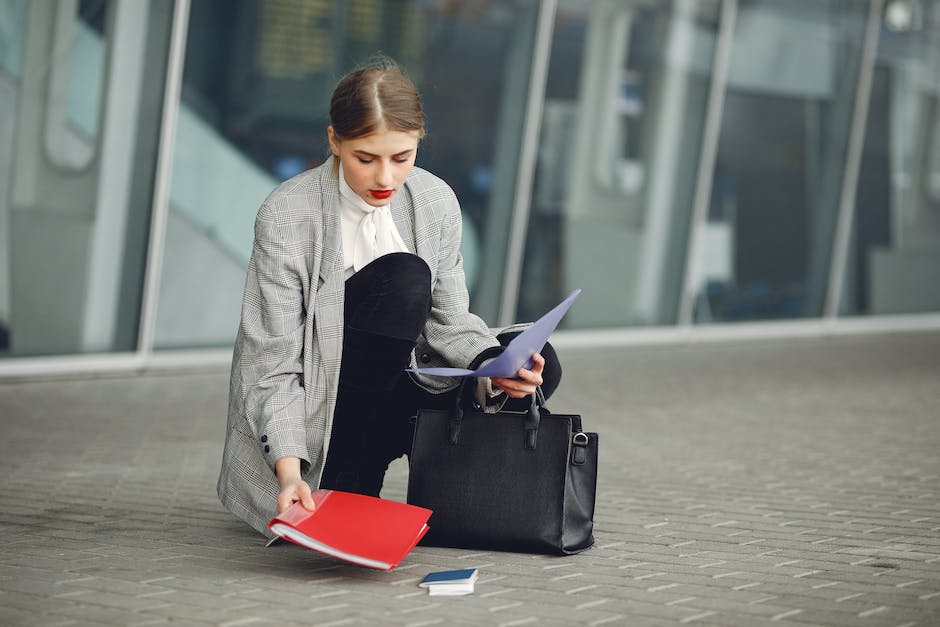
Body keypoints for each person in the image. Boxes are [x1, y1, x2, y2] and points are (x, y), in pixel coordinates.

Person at [217, 57, 562, 538]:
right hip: (324, 406)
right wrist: (290, 470)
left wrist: (494, 364)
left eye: (401, 157)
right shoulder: (287, 216)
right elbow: (270, 361)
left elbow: (449, 318)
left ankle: (447, 492)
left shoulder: (435, 201)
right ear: (335, 140)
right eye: (366, 158)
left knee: (537, 359)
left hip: (403, 385)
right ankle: (348, 481)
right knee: (401, 277)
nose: (385, 178)